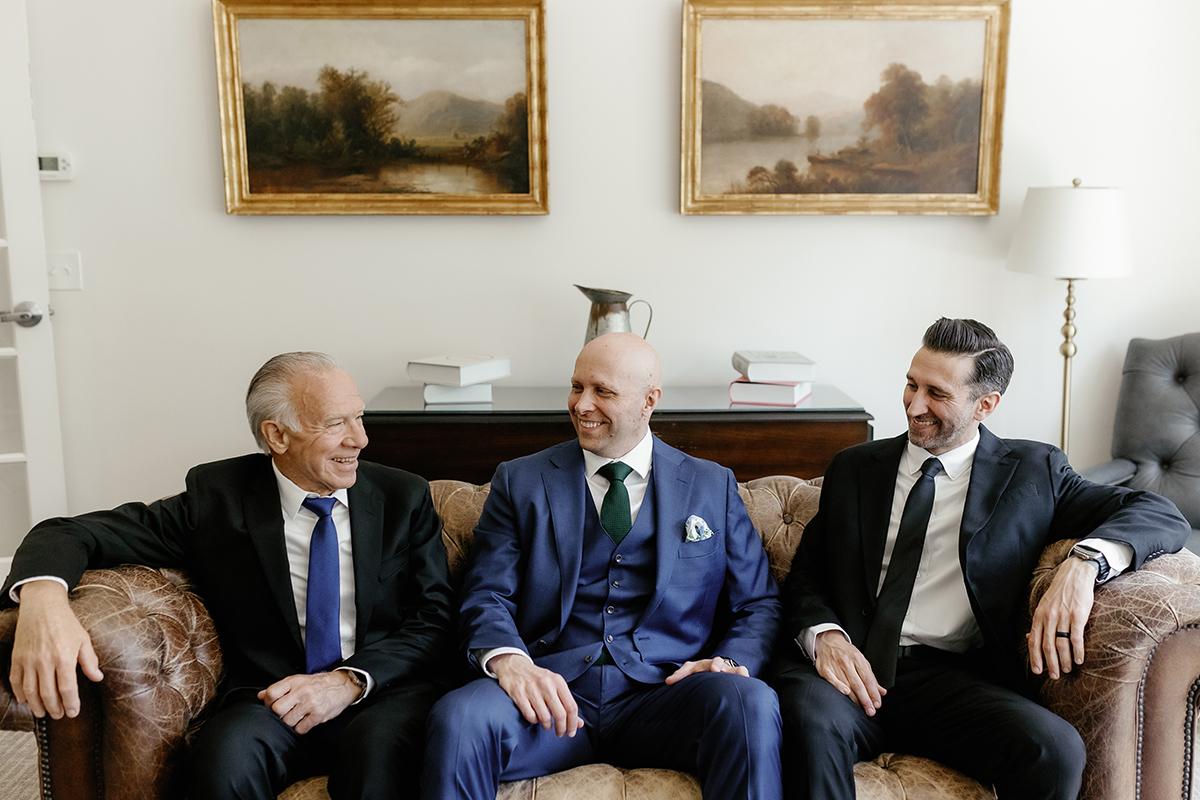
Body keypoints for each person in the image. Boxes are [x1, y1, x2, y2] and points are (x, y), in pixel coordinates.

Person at [2, 352, 455, 800]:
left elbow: (433, 617)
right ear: (277, 434)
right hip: (269, 697)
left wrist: (347, 682)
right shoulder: (217, 499)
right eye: (336, 424)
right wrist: (43, 600)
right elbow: (68, 532)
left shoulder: (402, 497)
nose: (360, 439)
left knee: (379, 760)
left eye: (359, 418)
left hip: (378, 695)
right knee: (222, 763)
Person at [773, 318, 1191, 799]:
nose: (914, 404)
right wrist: (824, 636)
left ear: (985, 405)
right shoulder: (854, 468)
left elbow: (1158, 511)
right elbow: (805, 577)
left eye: (937, 393)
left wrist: (1084, 564)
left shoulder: (1034, 473)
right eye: (911, 384)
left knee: (1055, 750)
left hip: (950, 681)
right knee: (808, 723)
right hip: (847, 672)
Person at [422, 332, 783, 800]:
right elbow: (487, 594)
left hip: (665, 695)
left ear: (649, 400)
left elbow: (757, 603)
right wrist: (510, 661)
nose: (581, 404)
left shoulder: (711, 485)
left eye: (603, 391)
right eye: (577, 387)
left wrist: (730, 661)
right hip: (550, 699)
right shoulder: (521, 481)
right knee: (459, 717)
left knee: (749, 703)